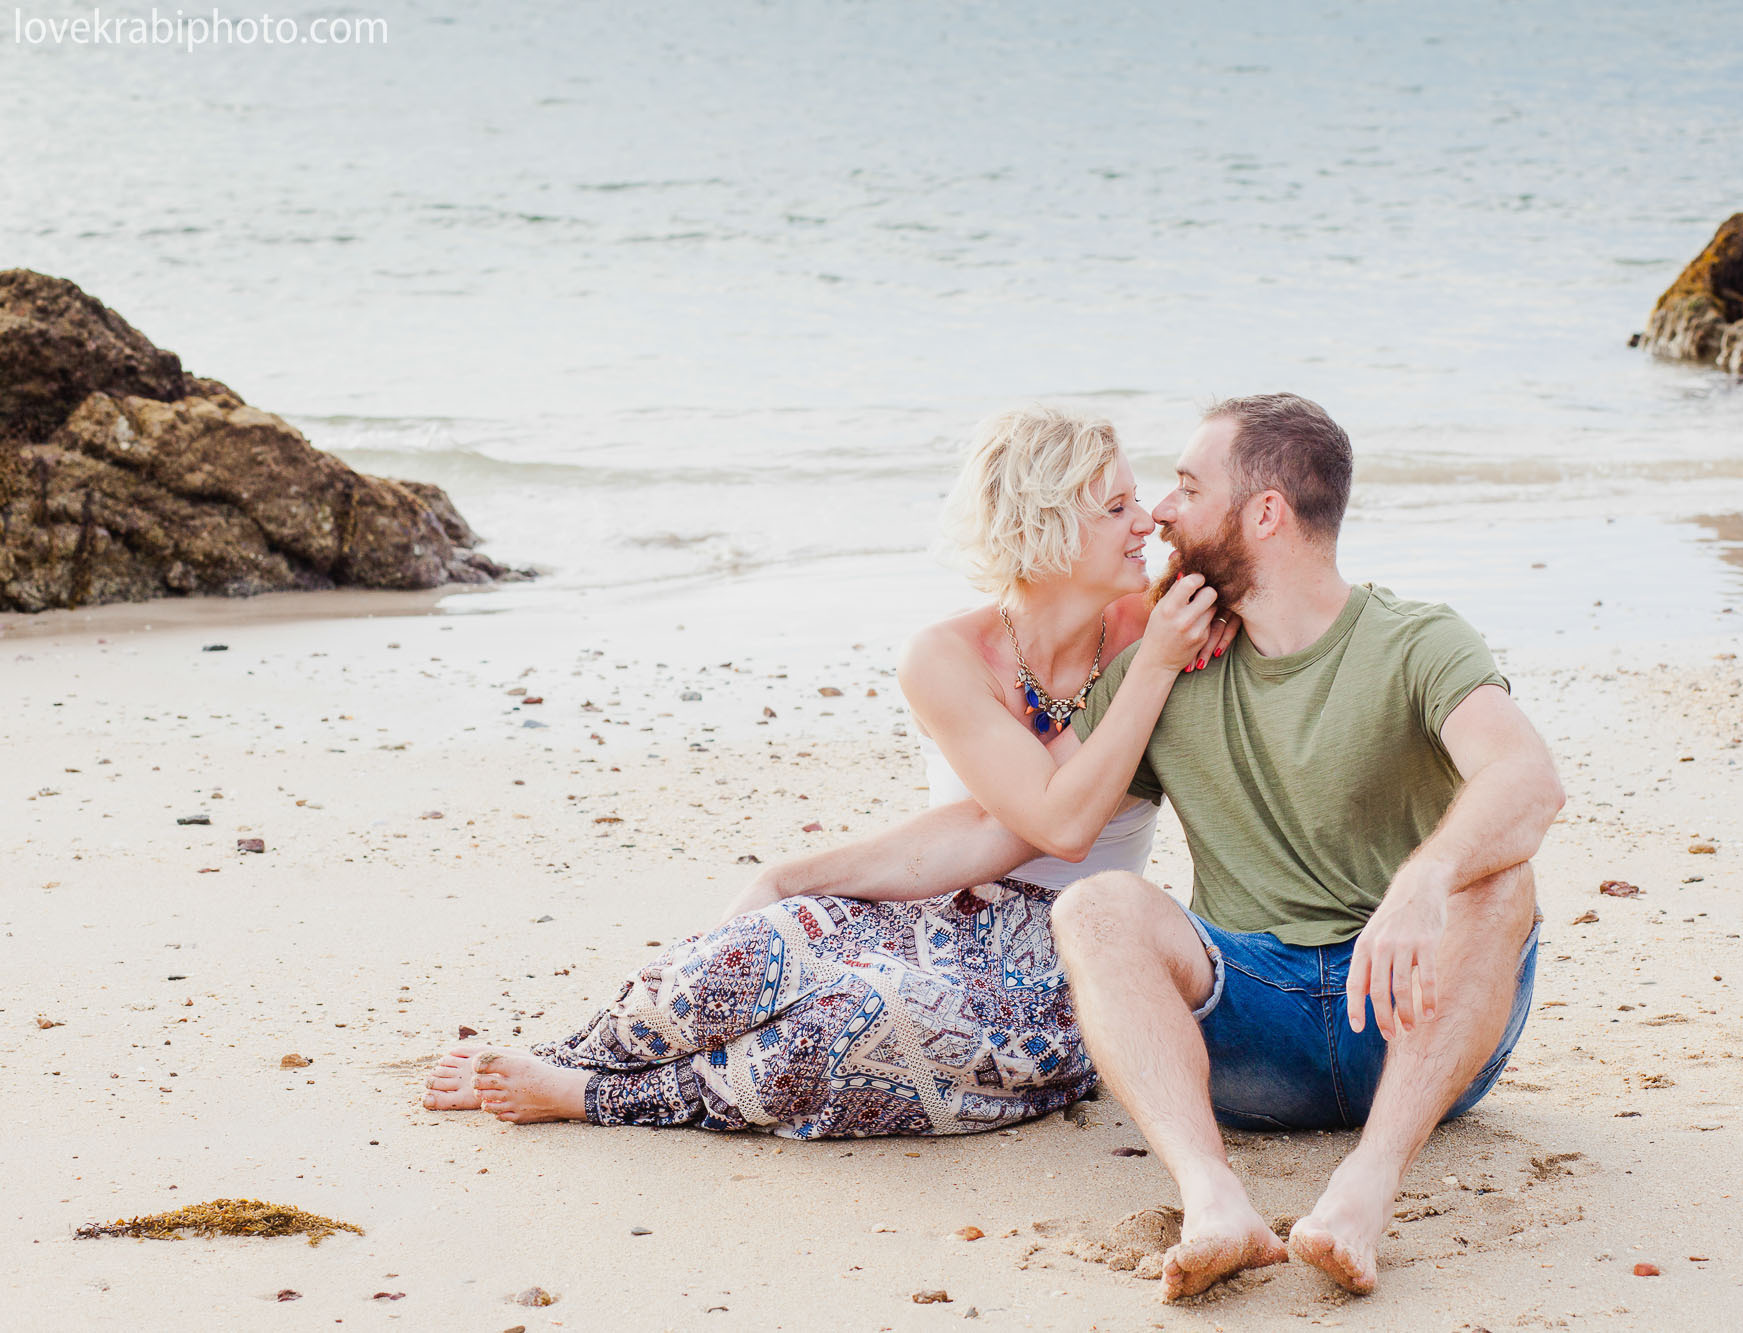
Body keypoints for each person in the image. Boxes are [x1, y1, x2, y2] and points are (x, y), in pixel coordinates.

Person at [420, 405, 1228, 1137]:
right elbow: (984, 825)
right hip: (932, 913)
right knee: (745, 953)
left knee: (858, 1018)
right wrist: (787, 879)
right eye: (1116, 506)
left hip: (1065, 954)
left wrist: (1163, 656)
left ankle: (591, 1096)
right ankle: (579, 1052)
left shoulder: (1155, 634)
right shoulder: (947, 656)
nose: (1147, 521)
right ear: (1044, 525)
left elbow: (1055, 823)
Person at [1047, 393, 1565, 1300]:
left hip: (1415, 1023)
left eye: (1186, 485)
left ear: (1265, 513)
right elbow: (1031, 814)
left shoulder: (1413, 641)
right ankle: (1214, 1201)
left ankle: (1366, 1186)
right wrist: (806, 875)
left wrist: (1422, 883)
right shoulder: (1164, 667)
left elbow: (1528, 778)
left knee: (1499, 874)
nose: (1161, 511)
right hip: (1251, 1036)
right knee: (1093, 908)